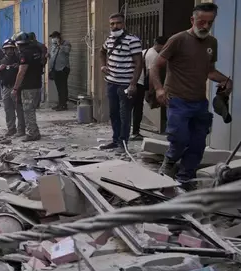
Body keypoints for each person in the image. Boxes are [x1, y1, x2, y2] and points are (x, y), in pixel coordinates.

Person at [152, 3, 232, 190]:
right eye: (201, 22)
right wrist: (158, 89)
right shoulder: (177, 40)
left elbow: (210, 71)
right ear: (192, 20)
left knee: (197, 145)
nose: (205, 26)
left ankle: (185, 179)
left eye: (209, 23)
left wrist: (227, 81)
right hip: (177, 100)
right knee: (179, 139)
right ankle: (170, 160)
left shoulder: (212, 43)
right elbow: (156, 65)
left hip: (200, 103)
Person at [99, 13, 143, 153]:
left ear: (123, 24)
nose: (114, 26)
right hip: (111, 82)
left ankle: (123, 143)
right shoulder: (110, 39)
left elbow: (139, 63)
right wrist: (103, 65)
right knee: (113, 113)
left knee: (125, 115)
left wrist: (133, 84)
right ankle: (115, 140)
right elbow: (102, 51)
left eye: (117, 23)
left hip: (125, 84)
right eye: (112, 24)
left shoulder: (133, 40)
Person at [131, 36, 167, 141]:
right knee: (138, 109)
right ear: (162, 46)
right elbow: (152, 75)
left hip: (133, 81)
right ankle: (135, 132)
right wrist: (151, 91)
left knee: (131, 107)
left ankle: (130, 131)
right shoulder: (154, 55)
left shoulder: (145, 51)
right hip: (139, 83)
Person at [12, 32, 43, 142]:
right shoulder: (36, 50)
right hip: (37, 84)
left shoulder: (24, 54)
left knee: (28, 110)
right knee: (32, 109)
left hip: (28, 86)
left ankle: (32, 133)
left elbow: (22, 72)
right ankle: (35, 131)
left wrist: (15, 88)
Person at [0, 39, 25, 142]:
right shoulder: (1, 61)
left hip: (16, 88)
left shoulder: (19, 59)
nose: (10, 51)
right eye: (8, 49)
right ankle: (11, 129)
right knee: (8, 109)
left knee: (19, 109)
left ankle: (21, 129)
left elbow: (24, 72)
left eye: (12, 49)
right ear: (4, 50)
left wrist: (18, 67)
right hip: (6, 88)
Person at [48, 31, 72, 111]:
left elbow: (67, 51)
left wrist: (60, 44)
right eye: (52, 37)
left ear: (58, 37)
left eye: (54, 37)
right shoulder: (53, 46)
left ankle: (64, 105)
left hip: (63, 69)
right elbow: (53, 56)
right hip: (55, 69)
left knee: (63, 87)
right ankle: (60, 104)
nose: (53, 39)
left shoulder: (66, 43)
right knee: (59, 88)